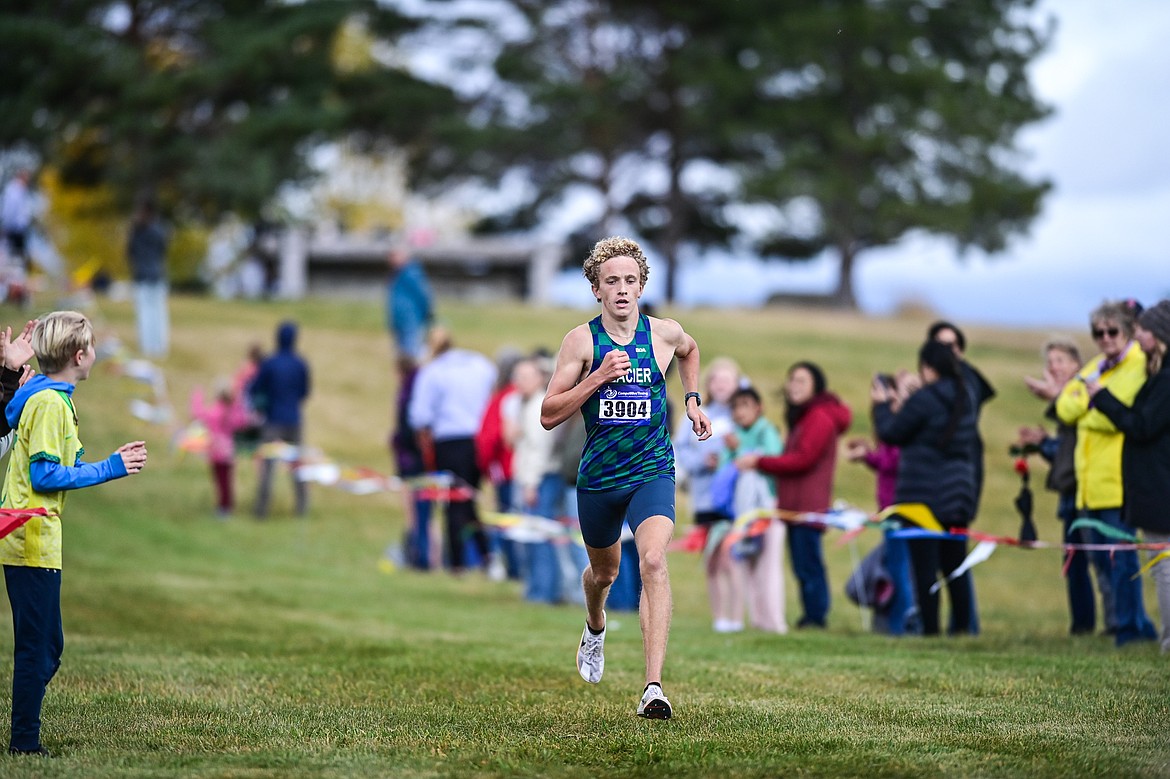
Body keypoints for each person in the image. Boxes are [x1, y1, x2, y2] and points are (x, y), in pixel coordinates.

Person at [540, 235, 711, 720]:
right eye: (610, 281)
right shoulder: (581, 341)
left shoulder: (663, 333)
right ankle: (595, 626)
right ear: (596, 289)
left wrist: (693, 400)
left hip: (652, 470)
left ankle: (652, 688)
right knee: (605, 574)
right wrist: (594, 379)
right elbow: (549, 414)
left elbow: (691, 350)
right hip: (598, 478)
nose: (621, 289)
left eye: (629, 281)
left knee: (654, 560)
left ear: (641, 287)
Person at [1, 312, 148, 758]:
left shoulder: (47, 396)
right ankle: (25, 740)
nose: (96, 356)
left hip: (37, 537)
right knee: (36, 650)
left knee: (49, 647)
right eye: (94, 348)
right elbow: (44, 475)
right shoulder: (47, 404)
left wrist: (107, 464)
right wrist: (110, 467)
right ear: (79, 355)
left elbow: (19, 428)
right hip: (29, 535)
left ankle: (24, 717)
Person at [1056, 299, 1157, 646]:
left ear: (1127, 332)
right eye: (1098, 333)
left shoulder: (1137, 365)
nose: (1105, 339)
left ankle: (1130, 629)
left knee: (1122, 562)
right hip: (1088, 485)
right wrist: (1091, 402)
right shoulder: (1097, 366)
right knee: (1101, 563)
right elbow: (1065, 408)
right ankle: (1125, 625)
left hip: (1117, 482)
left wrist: (1089, 404)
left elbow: (1120, 415)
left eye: (1112, 331)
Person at [872, 341, 979, 636]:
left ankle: (930, 628)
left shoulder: (926, 398)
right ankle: (961, 626)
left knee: (924, 566)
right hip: (958, 491)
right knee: (955, 563)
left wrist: (882, 404)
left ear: (927, 368)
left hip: (923, 495)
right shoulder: (966, 395)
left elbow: (892, 432)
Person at [736, 362, 851, 629]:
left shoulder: (819, 417)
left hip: (808, 505)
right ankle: (811, 615)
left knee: (808, 564)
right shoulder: (805, 416)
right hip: (796, 505)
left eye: (801, 381)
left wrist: (760, 461)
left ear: (815, 386)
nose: (793, 386)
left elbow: (803, 459)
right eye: (791, 380)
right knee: (802, 564)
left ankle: (816, 617)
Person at [1088, 300, 1170, 653]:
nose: (1138, 333)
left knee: (1163, 566)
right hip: (1152, 483)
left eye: (1144, 329)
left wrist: (1102, 399)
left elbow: (1141, 426)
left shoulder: (1166, 378)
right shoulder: (1159, 374)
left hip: (1159, 484)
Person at [1017, 338, 1115, 635]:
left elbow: (1076, 447)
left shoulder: (1081, 394)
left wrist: (1048, 439)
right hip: (1073, 490)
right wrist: (1044, 444)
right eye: (1050, 361)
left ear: (1077, 364)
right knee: (1075, 561)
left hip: (1091, 489)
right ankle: (1083, 625)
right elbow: (1068, 449)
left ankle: (1116, 624)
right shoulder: (1068, 400)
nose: (1054, 366)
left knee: (1101, 559)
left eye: (1060, 360)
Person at [408, 326, 497, 573]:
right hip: (477, 440)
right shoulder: (479, 364)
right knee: (468, 499)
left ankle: (458, 560)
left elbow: (419, 415)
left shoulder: (432, 372)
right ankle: (484, 554)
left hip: (448, 441)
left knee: (453, 502)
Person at [673, 357, 742, 631]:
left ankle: (736, 617)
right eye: (716, 379)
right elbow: (680, 451)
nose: (721, 385)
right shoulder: (693, 415)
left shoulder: (741, 417)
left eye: (728, 380)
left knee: (729, 557)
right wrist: (703, 462)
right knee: (711, 559)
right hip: (704, 498)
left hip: (733, 501)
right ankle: (719, 617)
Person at [721, 386, 786, 633]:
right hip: (743, 512)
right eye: (735, 407)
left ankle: (776, 622)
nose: (739, 412)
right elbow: (727, 470)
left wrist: (740, 453)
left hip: (768, 508)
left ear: (758, 408)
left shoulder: (766, 431)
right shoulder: (734, 436)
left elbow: (773, 458)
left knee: (769, 567)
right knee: (747, 565)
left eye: (744, 405)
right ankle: (759, 620)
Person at [251, 321, 311, 519]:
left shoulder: (270, 363)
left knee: (268, 466)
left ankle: (262, 510)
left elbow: (254, 388)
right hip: (294, 420)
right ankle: (302, 508)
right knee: (298, 466)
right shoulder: (300, 363)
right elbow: (305, 392)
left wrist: (263, 405)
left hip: (273, 421)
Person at [189, 380, 254, 516]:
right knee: (227, 481)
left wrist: (197, 396)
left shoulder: (216, 411)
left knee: (220, 481)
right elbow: (243, 422)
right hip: (229, 451)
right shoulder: (232, 411)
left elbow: (198, 414)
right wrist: (240, 404)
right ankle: (227, 506)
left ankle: (223, 508)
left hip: (216, 451)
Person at [126, 199, 170, 359]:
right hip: (156, 274)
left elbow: (130, 252)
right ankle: (157, 346)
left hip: (144, 275)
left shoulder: (138, 231)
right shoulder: (158, 230)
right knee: (157, 313)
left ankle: (150, 346)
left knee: (147, 312)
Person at [386, 244, 434, 362]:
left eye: (395, 255)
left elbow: (423, 295)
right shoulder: (397, 274)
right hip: (398, 320)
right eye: (390, 256)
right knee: (401, 354)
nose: (392, 259)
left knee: (412, 353)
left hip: (412, 319)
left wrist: (427, 313)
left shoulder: (412, 273)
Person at [2, 169, 33, 271]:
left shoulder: (21, 190)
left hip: (19, 229)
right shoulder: (13, 190)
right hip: (14, 229)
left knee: (18, 256)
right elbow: (9, 211)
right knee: (14, 256)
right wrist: (6, 226)